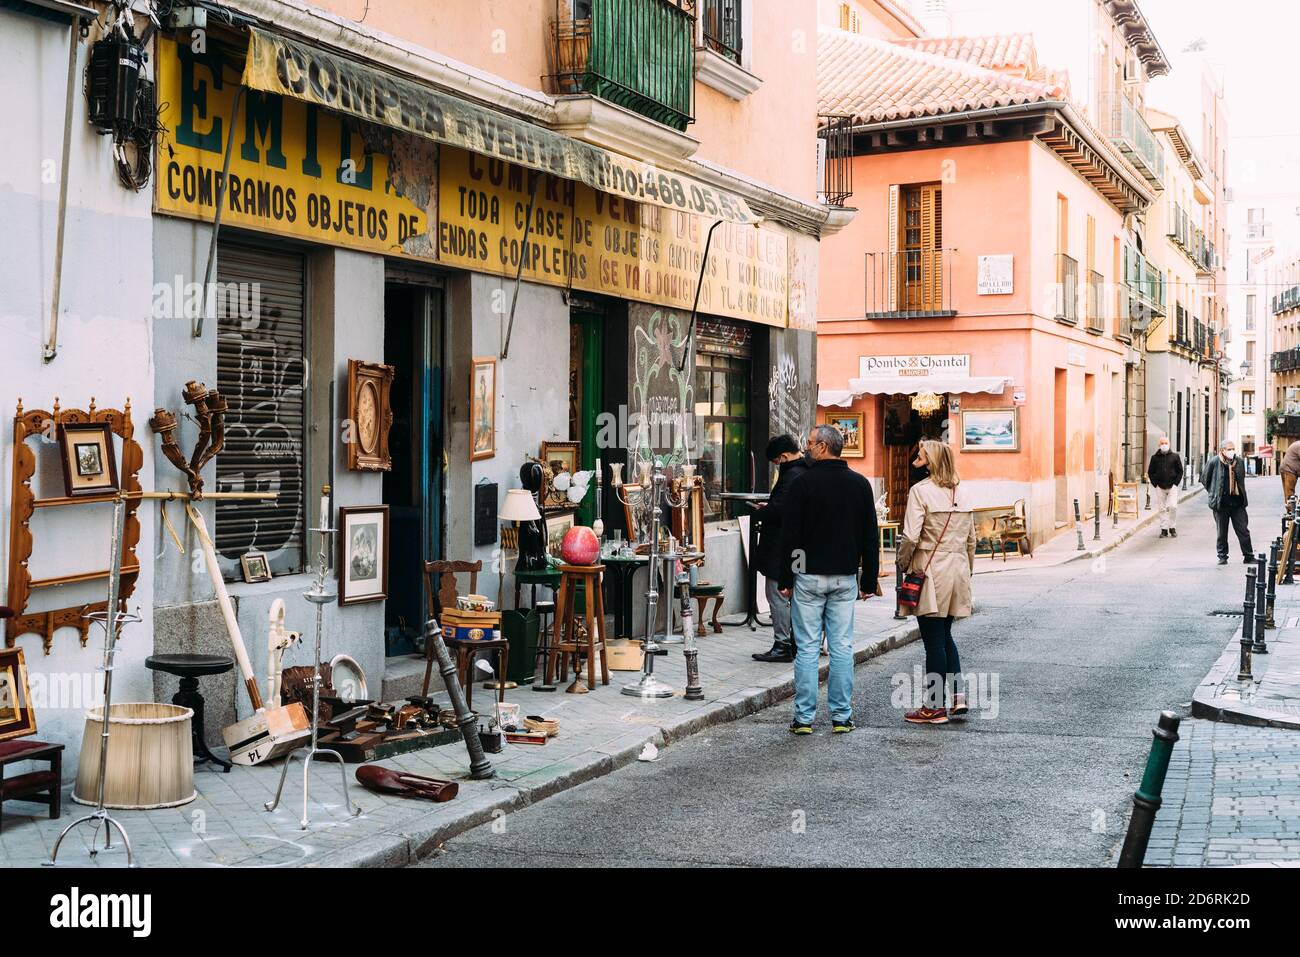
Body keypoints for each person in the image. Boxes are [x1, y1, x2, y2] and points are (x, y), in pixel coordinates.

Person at [778, 424, 879, 735]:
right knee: (842, 646)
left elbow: (790, 535)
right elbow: (869, 537)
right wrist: (868, 580)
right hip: (845, 576)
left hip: (808, 575)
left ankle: (804, 719)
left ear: (823, 447)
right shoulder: (860, 484)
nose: (807, 447)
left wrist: (788, 576)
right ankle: (841, 717)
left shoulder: (803, 483)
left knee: (807, 648)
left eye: (810, 443)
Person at [897, 440, 975, 726]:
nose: (915, 460)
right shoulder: (962, 492)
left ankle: (933, 707)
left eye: (919, 457)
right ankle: (957, 696)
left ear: (930, 462)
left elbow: (911, 536)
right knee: (945, 635)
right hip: (957, 570)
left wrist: (903, 564)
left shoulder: (920, 492)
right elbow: (972, 540)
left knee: (933, 642)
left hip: (930, 570)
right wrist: (968, 571)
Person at [752, 434, 812, 663]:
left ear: (784, 456)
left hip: (781, 547)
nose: (776, 466)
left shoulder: (792, 475)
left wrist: (761, 511)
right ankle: (800, 641)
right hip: (799, 549)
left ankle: (783, 644)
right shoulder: (805, 471)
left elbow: (781, 511)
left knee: (777, 594)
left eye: (776, 462)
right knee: (796, 594)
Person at [1201, 439, 1253, 565]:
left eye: (1233, 448)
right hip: (1221, 504)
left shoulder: (1239, 462)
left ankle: (1248, 556)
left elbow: (1241, 480)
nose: (1232, 451)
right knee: (1221, 533)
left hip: (1237, 503)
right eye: (1229, 449)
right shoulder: (1214, 462)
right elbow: (1205, 479)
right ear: (1222, 450)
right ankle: (1222, 556)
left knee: (1243, 531)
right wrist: (1214, 493)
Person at [1146, 436, 1184, 538]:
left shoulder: (1175, 456)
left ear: (1169, 444)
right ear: (1159, 445)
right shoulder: (1155, 458)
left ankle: (1172, 527)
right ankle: (1163, 529)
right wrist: (1155, 484)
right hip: (1160, 486)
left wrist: (1176, 483)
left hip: (1172, 486)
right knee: (1162, 508)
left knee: (1173, 507)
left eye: (1165, 443)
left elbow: (1180, 471)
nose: (1164, 445)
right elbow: (1150, 472)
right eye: (1162, 443)